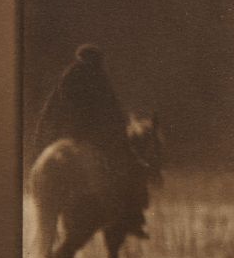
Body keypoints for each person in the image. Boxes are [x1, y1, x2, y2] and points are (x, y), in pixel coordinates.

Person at [33, 44, 148, 238]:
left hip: (65, 134)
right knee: (128, 164)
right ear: (97, 61)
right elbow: (112, 107)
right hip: (92, 136)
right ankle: (132, 217)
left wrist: (40, 140)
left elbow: (49, 110)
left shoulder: (66, 77)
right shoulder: (98, 77)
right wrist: (120, 127)